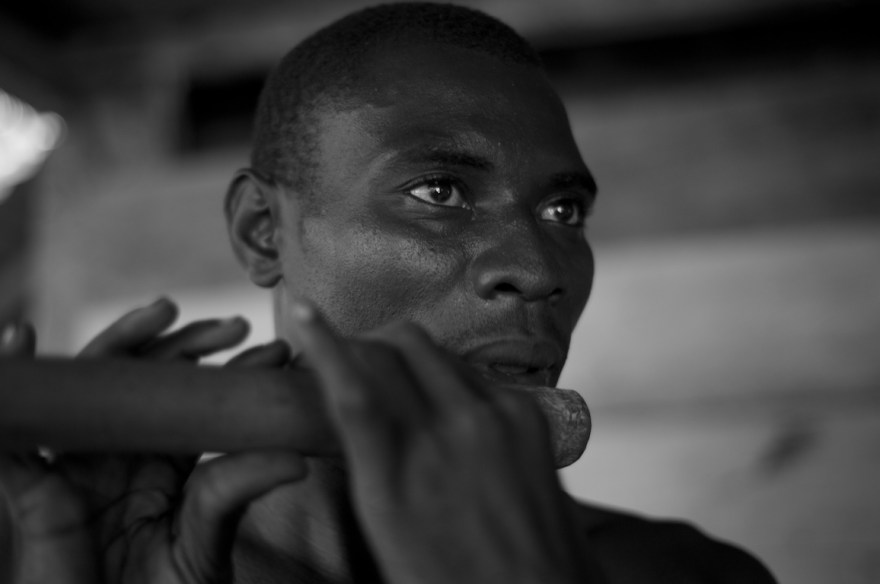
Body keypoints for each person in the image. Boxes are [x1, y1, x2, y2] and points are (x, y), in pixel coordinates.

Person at [0, 3, 777, 583]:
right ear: (264, 232)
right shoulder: (83, 557)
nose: (540, 269)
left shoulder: (686, 574)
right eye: (440, 192)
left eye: (563, 212)